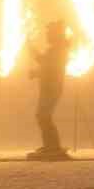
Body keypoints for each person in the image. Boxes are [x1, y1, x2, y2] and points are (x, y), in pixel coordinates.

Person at [27, 20, 73, 160]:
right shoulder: (56, 49)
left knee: (43, 115)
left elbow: (49, 66)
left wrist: (31, 50)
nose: (47, 36)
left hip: (52, 87)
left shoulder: (59, 50)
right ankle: (50, 145)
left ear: (55, 34)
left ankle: (53, 147)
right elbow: (47, 65)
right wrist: (37, 72)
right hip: (49, 86)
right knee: (43, 115)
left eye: (49, 33)